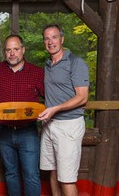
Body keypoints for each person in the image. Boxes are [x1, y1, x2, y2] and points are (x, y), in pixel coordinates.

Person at [0, 34, 44, 196]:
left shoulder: (37, 72)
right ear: (4, 52)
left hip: (28, 132)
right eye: (8, 50)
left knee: (31, 175)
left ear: (23, 50)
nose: (12, 53)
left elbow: (52, 97)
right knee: (11, 174)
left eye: (16, 49)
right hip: (3, 131)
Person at [38, 24, 89, 196]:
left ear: (62, 39)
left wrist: (55, 109)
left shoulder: (75, 62)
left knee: (66, 178)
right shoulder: (48, 64)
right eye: (46, 38)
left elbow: (82, 97)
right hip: (50, 124)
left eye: (54, 37)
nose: (50, 41)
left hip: (69, 125)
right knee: (53, 171)